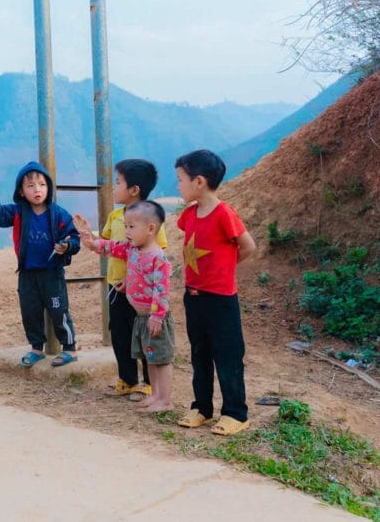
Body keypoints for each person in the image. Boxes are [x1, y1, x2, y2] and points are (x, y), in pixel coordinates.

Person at [173, 149, 256, 436]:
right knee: (200, 353)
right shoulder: (188, 215)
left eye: (181, 179)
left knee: (227, 355)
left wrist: (225, 270)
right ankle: (202, 408)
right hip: (193, 296)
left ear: (199, 181)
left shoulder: (224, 213)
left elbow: (248, 246)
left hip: (221, 299)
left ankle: (236, 412)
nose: (178, 185)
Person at [0, 162, 81, 367]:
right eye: (30, 186)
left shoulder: (58, 214)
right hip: (27, 274)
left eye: (42, 184)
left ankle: (69, 349)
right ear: (21, 192)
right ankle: (36, 348)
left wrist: (67, 246)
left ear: (48, 188)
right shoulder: (18, 212)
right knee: (30, 312)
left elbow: (73, 237)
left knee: (59, 311)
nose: (37, 189)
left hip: (52, 274)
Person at [75, 202, 175, 412]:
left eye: (131, 226)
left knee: (161, 360)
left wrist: (156, 317)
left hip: (154, 318)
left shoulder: (158, 258)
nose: (127, 231)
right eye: (126, 226)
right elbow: (111, 247)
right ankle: (155, 395)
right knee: (151, 357)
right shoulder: (132, 249)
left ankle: (165, 400)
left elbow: (161, 290)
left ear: (150, 229)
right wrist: (91, 242)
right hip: (141, 317)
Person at [100, 159, 168, 402]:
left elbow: (155, 254)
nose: (113, 187)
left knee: (143, 335)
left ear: (134, 190)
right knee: (119, 331)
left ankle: (150, 384)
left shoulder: (151, 217)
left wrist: (132, 280)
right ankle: (127, 380)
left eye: (117, 182)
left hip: (141, 292)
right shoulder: (115, 216)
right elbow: (110, 244)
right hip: (116, 285)